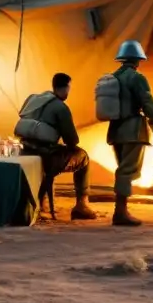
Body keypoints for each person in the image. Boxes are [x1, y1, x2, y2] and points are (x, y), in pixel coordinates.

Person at [16, 73, 97, 221]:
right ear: (66, 87)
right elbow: (72, 141)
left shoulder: (33, 99)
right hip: (46, 157)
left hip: (24, 152)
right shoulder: (61, 108)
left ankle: (43, 202)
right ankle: (82, 206)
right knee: (83, 157)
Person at [106, 41, 153, 227]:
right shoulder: (137, 78)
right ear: (138, 59)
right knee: (127, 171)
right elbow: (146, 99)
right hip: (132, 130)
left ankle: (120, 210)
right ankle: (120, 212)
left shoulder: (113, 77)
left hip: (116, 130)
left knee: (122, 168)